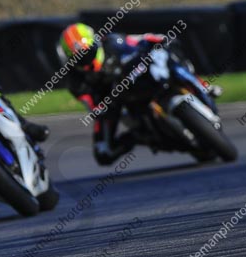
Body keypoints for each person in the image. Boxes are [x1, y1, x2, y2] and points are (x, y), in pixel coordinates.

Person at [57, 22, 221, 165]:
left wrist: (160, 41)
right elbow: (92, 106)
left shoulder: (114, 41)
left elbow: (141, 40)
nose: (86, 61)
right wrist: (104, 107)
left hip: (141, 75)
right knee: (104, 153)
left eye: (88, 53)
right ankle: (140, 135)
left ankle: (202, 87)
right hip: (116, 101)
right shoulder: (75, 81)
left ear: (96, 42)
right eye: (79, 59)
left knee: (171, 57)